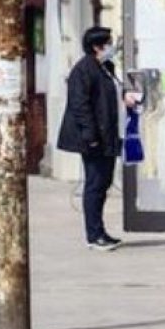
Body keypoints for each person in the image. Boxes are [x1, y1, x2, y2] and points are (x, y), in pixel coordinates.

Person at [57, 26, 138, 251]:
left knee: (103, 183)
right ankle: (93, 235)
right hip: (94, 138)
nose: (112, 48)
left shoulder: (106, 67)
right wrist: (91, 136)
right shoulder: (84, 70)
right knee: (95, 184)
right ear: (97, 47)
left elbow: (110, 94)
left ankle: (100, 231)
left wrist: (126, 97)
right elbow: (80, 105)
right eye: (109, 43)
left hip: (109, 134)